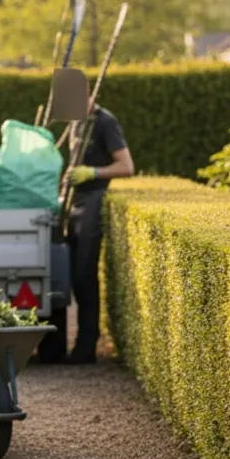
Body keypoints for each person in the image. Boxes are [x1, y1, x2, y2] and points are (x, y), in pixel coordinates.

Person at [64, 103, 135, 364]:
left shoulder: (105, 122)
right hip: (76, 202)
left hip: (94, 201)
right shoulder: (76, 120)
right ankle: (74, 345)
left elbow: (127, 166)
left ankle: (86, 348)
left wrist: (93, 172)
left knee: (85, 274)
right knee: (72, 276)